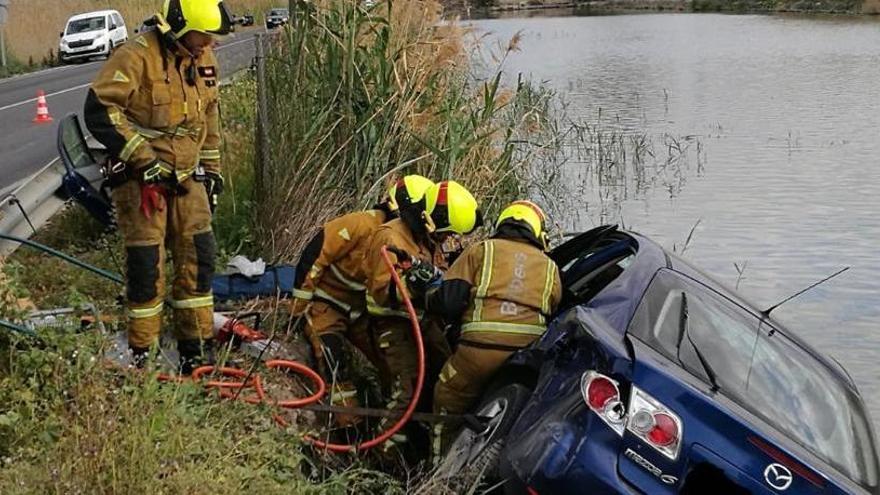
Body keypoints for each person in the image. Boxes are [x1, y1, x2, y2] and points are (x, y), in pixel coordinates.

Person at [84, 0, 233, 373]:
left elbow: (208, 120)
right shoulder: (136, 57)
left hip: (188, 179)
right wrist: (144, 161)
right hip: (142, 185)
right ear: (178, 30)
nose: (207, 44)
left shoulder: (203, 60)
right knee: (147, 267)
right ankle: (144, 352)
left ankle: (195, 346)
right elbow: (100, 108)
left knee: (199, 258)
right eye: (201, 36)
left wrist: (212, 171)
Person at [426, 200, 562, 458]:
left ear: (502, 224)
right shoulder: (551, 268)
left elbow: (448, 302)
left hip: (477, 354)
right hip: (523, 363)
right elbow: (554, 308)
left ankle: (437, 469)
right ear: (538, 233)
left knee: (446, 400)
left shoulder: (481, 250)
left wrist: (427, 293)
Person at [291, 175, 435, 418]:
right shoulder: (362, 225)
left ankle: (390, 414)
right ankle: (348, 424)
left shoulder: (405, 241)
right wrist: (298, 310)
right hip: (328, 304)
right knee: (332, 358)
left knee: (388, 361)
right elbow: (316, 254)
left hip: (362, 313)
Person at [363, 180, 482, 448]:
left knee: (445, 374)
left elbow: (437, 272)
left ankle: (425, 436)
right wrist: (417, 284)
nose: (447, 239)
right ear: (429, 220)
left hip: (423, 322)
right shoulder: (390, 238)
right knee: (407, 390)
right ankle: (381, 452)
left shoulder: (426, 237)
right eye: (447, 233)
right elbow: (383, 292)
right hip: (394, 324)